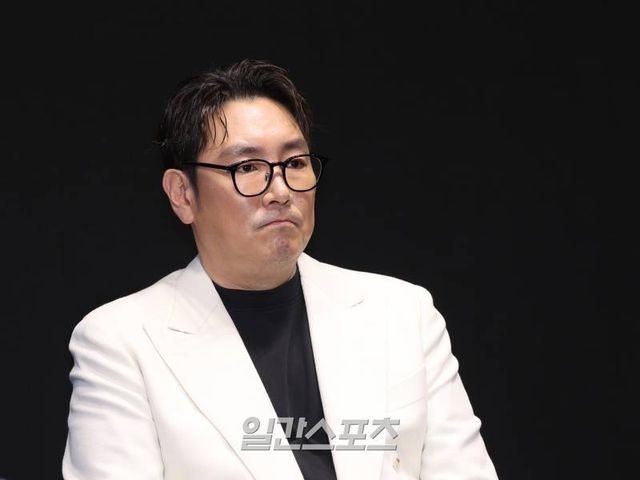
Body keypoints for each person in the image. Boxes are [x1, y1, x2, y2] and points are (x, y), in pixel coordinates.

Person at [62, 59, 499, 480]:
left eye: (295, 164)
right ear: (183, 194)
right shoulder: (120, 342)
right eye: (247, 167)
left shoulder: (403, 312)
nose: (280, 191)